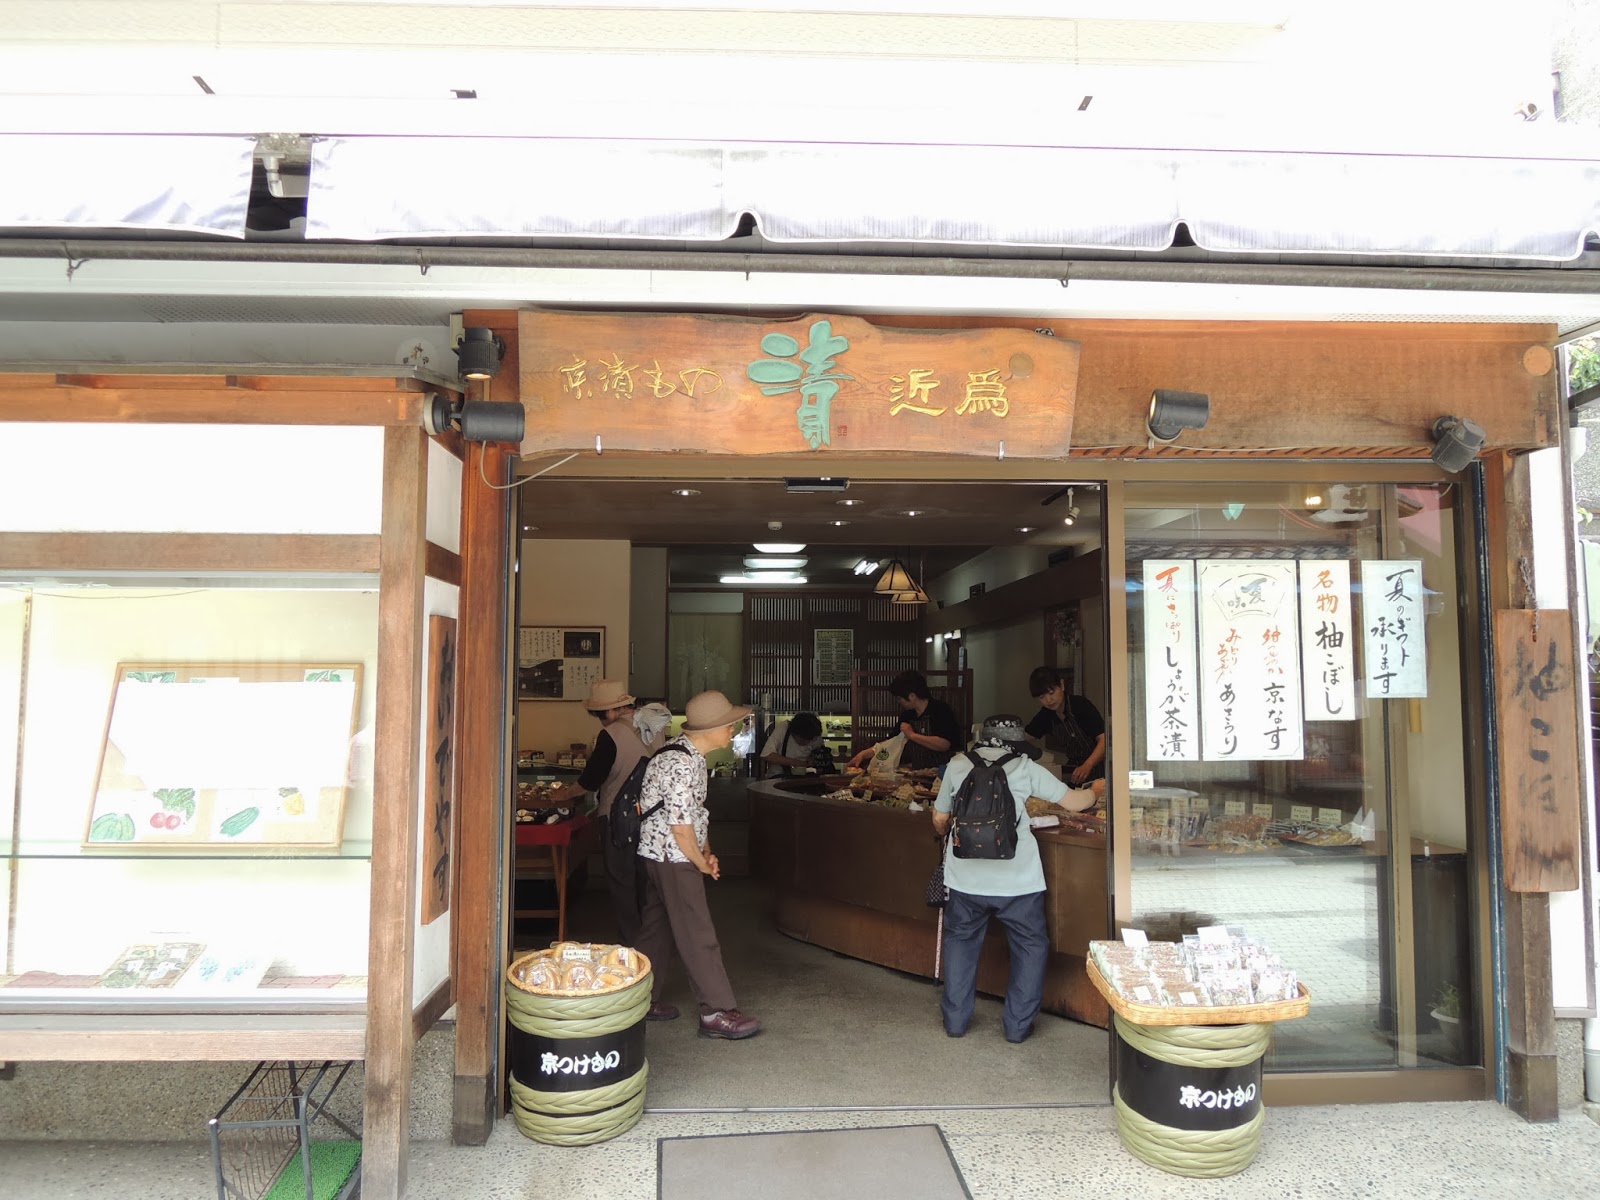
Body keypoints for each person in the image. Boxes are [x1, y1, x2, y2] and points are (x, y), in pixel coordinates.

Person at [932, 714, 1094, 1043]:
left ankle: (955, 1022)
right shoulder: (1024, 767)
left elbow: (939, 817)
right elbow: (1076, 803)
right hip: (1018, 880)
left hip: (965, 879)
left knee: (960, 941)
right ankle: (1018, 1027)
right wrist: (1097, 789)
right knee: (1030, 946)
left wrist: (947, 832)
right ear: (1017, 744)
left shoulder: (958, 764)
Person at [634, 690, 762, 1040]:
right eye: (730, 724)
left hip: (661, 856)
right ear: (712, 728)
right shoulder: (681, 762)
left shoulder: (686, 755)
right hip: (672, 857)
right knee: (697, 931)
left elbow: (693, 815)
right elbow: (680, 826)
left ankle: (638, 1002)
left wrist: (707, 853)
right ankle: (716, 1011)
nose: (733, 730)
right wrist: (700, 863)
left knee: (656, 931)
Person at [549, 679, 654, 945]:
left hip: (618, 819)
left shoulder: (611, 735)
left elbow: (590, 781)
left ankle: (632, 945)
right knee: (646, 881)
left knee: (622, 883)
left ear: (609, 711)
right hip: (651, 818)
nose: (600, 720)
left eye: (599, 714)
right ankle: (653, 941)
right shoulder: (653, 728)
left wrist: (564, 793)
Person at [849, 670, 964, 772]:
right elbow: (890, 744)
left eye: (900, 698)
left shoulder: (940, 710)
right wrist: (863, 755)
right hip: (918, 773)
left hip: (943, 774)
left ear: (912, 696)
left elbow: (943, 744)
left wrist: (912, 735)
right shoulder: (907, 715)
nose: (899, 702)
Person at [1023, 665, 1107, 786]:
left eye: (1051, 693)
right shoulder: (1046, 715)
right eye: (1042, 697)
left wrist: (1088, 765)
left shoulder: (1080, 705)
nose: (1049, 700)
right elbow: (1026, 737)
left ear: (1062, 685)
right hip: (1073, 771)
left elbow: (1104, 740)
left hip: (1099, 770)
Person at [759, 711, 826, 778]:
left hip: (806, 778)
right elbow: (766, 755)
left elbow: (821, 757)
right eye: (803, 739)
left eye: (810, 740)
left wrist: (814, 760)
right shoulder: (784, 728)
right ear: (793, 733)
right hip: (778, 777)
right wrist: (798, 763)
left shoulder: (815, 735)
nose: (806, 743)